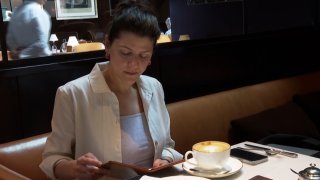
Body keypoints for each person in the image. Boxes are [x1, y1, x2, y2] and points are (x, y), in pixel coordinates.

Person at [39, 0, 183, 179]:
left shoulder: (154, 87)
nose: (134, 64)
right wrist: (74, 167)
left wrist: (165, 160)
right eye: (125, 52)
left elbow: (167, 145)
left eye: (143, 56)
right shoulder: (73, 94)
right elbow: (52, 158)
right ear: (108, 45)